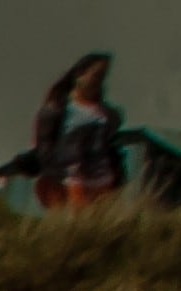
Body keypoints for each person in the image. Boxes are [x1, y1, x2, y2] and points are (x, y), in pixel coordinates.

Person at [36, 51, 128, 207]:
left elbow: (110, 145)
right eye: (96, 76)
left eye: (102, 77)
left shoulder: (106, 113)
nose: (99, 82)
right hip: (72, 181)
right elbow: (45, 148)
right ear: (80, 74)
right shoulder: (57, 109)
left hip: (103, 180)